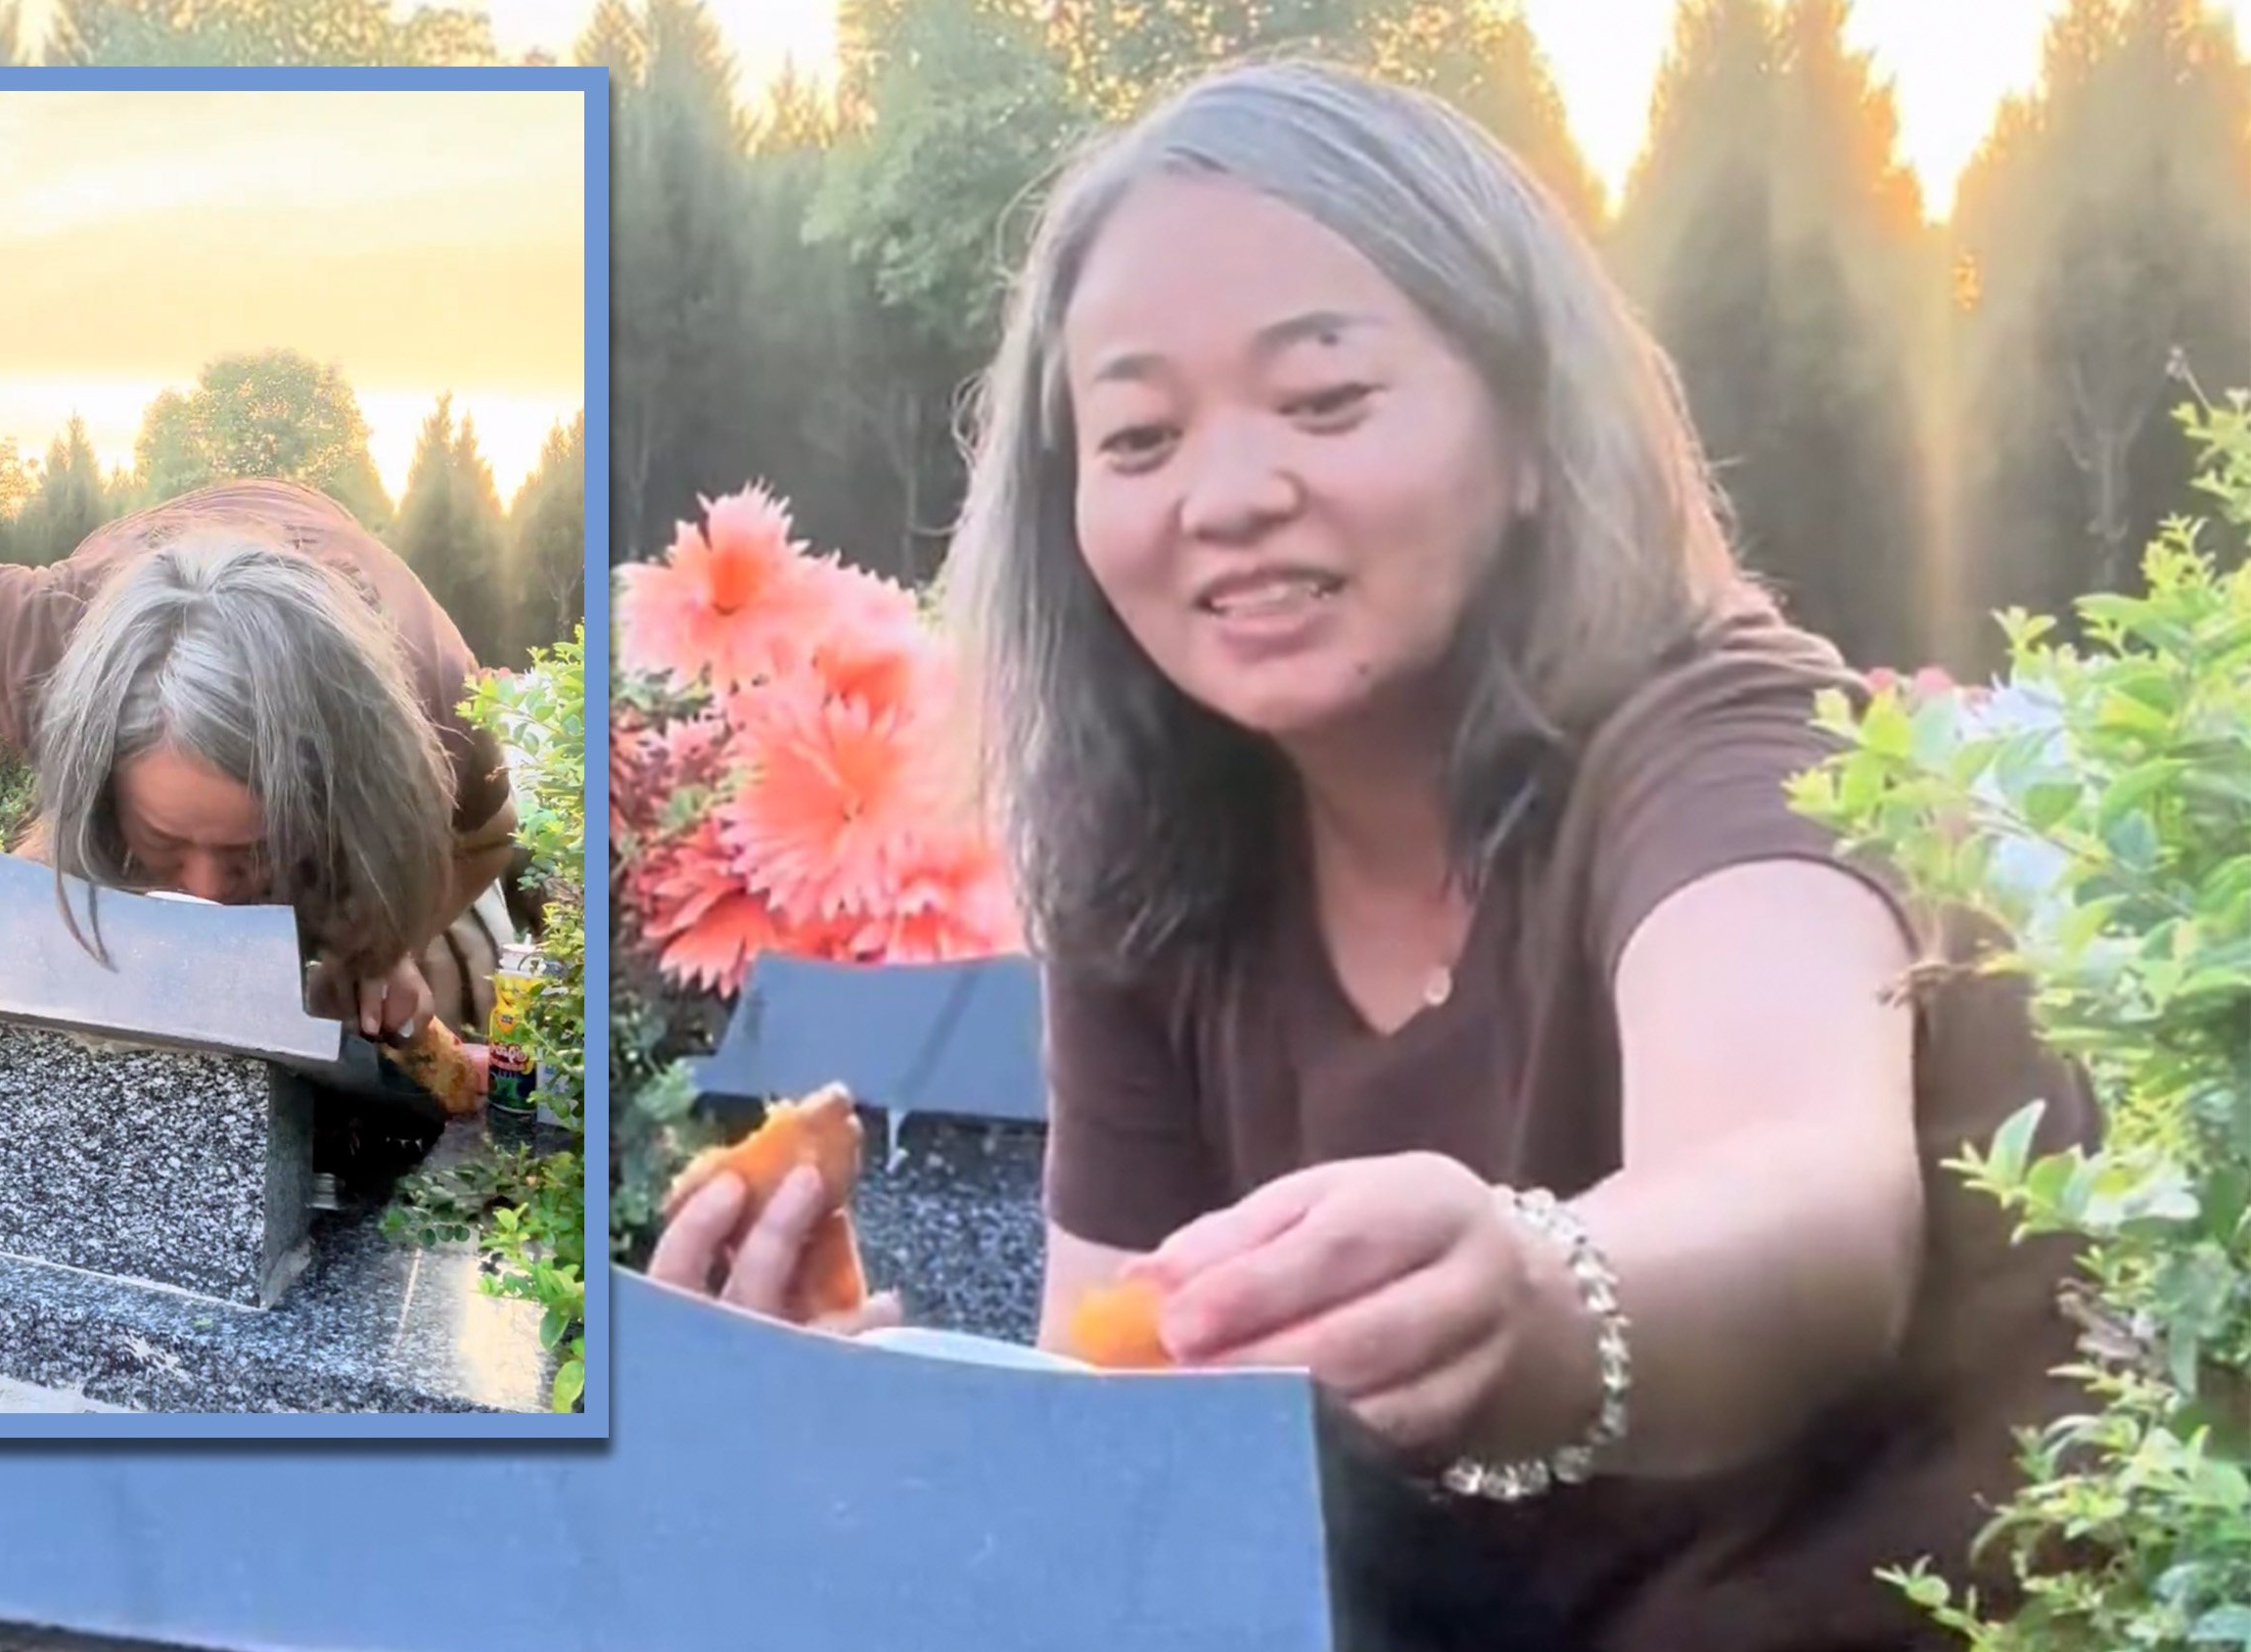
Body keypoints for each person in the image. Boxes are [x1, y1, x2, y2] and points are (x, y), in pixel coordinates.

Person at [646, 58, 2097, 1652]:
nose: (1231, 495)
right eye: (1137, 437)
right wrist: (864, 1433)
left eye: (1327, 400)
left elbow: (1804, 1195)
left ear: (1536, 433)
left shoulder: (1730, 742)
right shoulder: (1154, 870)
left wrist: (1540, 1297)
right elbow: (1133, 1424)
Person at [0, 477, 521, 1043]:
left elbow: (484, 843)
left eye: (247, 851)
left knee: (380, 1014)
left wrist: (376, 946)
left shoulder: (434, 702)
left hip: (356, 801)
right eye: (164, 841)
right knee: (28, 987)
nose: (203, 892)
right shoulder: (41, 634)